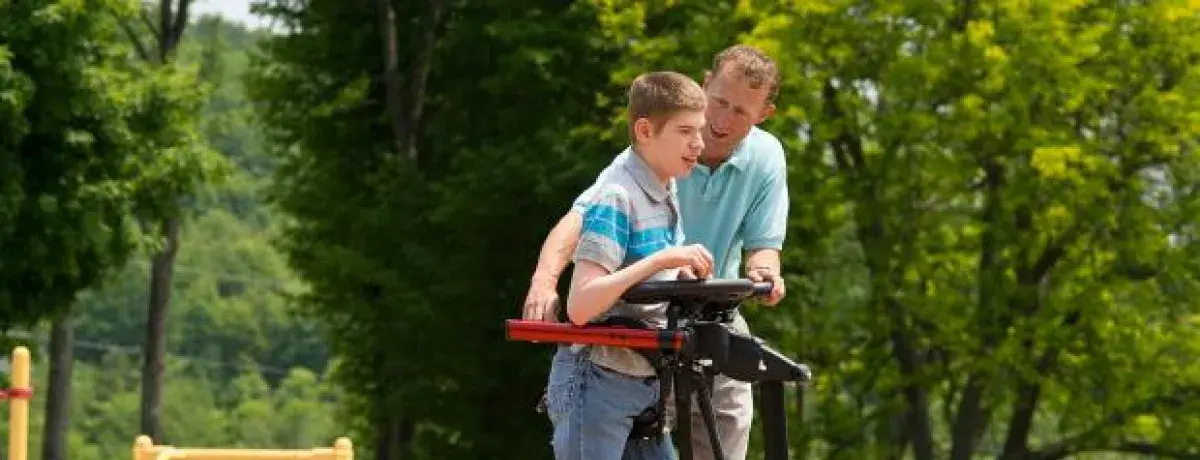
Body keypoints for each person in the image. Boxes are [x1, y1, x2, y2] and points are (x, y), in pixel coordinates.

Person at [526, 45, 788, 460]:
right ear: (704, 86)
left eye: (740, 111)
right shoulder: (645, 165)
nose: (720, 122)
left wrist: (764, 273)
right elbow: (581, 220)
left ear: (762, 115)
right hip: (642, 327)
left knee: (733, 401)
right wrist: (543, 281)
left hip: (708, 310)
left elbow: (764, 247)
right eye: (718, 102)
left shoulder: (761, 158)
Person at [543, 70, 718, 460]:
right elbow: (581, 305)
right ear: (644, 130)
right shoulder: (617, 196)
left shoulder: (664, 185)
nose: (699, 144)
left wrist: (680, 275)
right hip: (597, 380)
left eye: (700, 131)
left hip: (645, 378)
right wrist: (664, 260)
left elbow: (646, 277)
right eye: (685, 131)